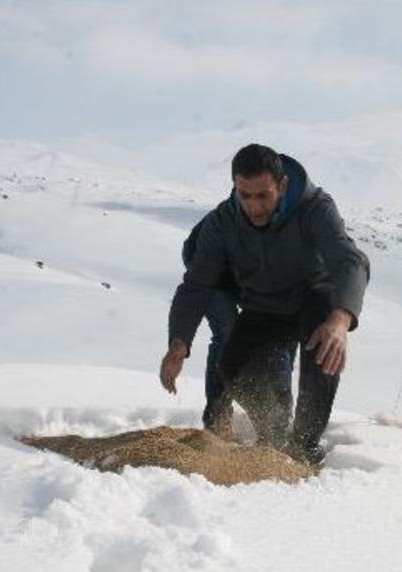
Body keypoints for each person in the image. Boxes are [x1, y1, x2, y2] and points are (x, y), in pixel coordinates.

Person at [159, 144, 370, 465]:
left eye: (263, 196)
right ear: (235, 187)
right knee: (232, 367)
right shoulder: (222, 222)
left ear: (282, 186)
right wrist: (178, 343)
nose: (254, 207)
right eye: (245, 196)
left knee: (324, 344)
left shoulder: (314, 207)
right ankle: (274, 433)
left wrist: (341, 320)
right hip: (263, 307)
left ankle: (304, 445)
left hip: (313, 302)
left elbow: (351, 261)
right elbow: (197, 285)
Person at [181, 213, 295, 438]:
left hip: (248, 274)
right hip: (206, 264)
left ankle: (276, 422)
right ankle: (217, 420)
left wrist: (282, 406)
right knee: (227, 332)